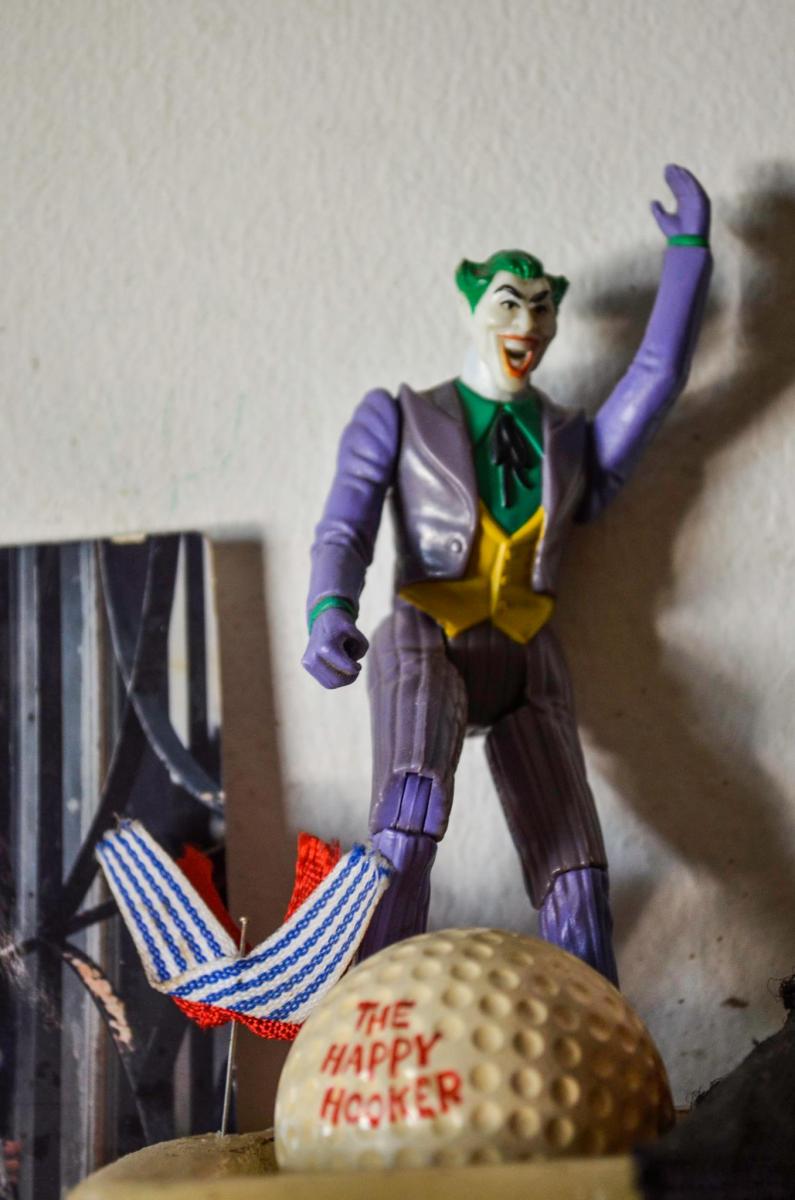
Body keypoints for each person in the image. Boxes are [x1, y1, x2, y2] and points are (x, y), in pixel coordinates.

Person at [302, 165, 712, 985]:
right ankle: (377, 1002)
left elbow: (656, 379)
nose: (526, 322)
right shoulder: (402, 416)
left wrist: (688, 258)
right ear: (473, 307)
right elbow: (345, 524)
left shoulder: (569, 440)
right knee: (409, 812)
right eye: (507, 302)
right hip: (427, 635)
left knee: (575, 865)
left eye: (540, 306)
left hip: (528, 652)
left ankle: (596, 1023)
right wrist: (328, 609)